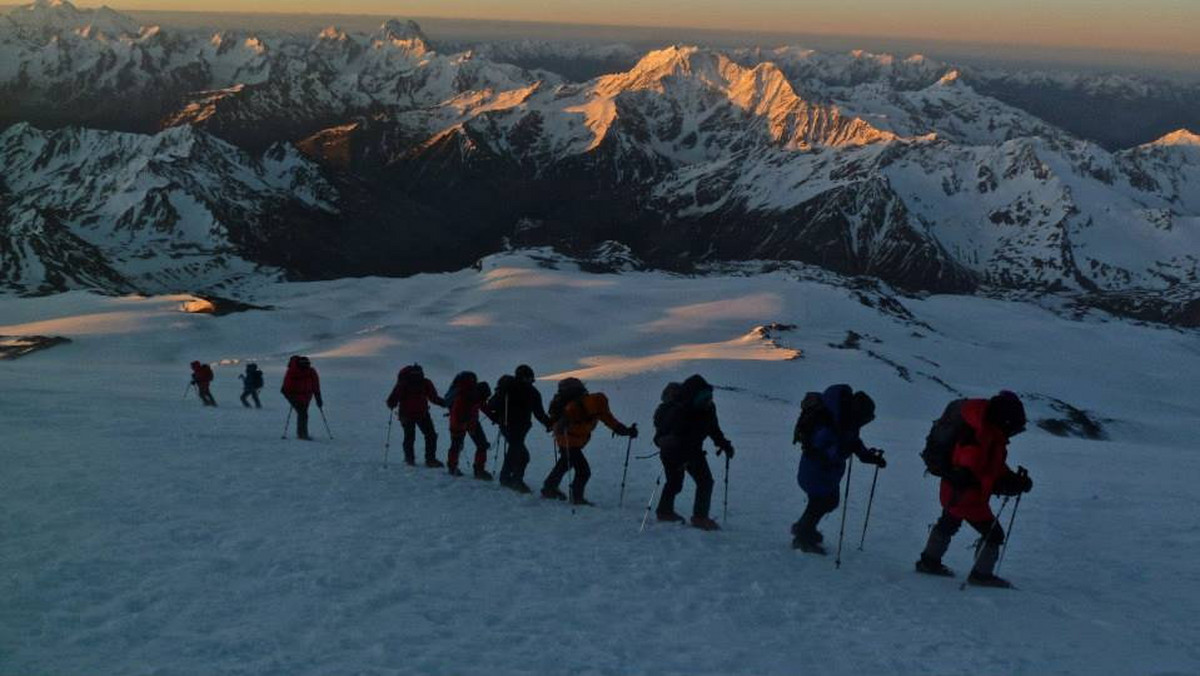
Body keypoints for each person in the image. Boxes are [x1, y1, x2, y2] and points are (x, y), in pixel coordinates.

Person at [916, 391, 1032, 588]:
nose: (1013, 432)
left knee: (948, 523)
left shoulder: (987, 432)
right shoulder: (979, 437)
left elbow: (993, 467)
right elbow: (977, 475)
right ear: (1005, 421)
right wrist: (1008, 484)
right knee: (994, 534)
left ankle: (929, 562)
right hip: (966, 498)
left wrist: (1010, 479)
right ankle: (981, 575)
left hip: (954, 493)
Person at [791, 384, 886, 554]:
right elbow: (820, 448)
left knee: (824, 502)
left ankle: (803, 529)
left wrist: (868, 457)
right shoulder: (830, 420)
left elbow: (853, 442)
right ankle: (803, 538)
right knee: (822, 502)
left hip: (825, 473)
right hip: (814, 471)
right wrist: (842, 451)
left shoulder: (845, 420)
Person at [652, 375, 734, 531]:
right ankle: (688, 516)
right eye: (704, 398)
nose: (708, 401)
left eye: (709, 397)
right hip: (674, 452)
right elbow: (660, 437)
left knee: (695, 482)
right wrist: (673, 448)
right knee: (686, 482)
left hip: (691, 450)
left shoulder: (708, 408)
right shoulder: (679, 411)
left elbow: (713, 429)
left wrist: (724, 445)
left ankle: (674, 513)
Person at [542, 377, 637, 505]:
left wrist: (626, 431)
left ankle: (549, 487)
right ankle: (576, 498)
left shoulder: (585, 405)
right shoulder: (588, 405)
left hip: (568, 439)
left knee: (566, 463)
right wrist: (626, 431)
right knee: (583, 471)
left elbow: (610, 421)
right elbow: (610, 421)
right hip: (569, 440)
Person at [488, 364, 552, 493]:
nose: (529, 381)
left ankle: (506, 478)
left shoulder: (509, 389)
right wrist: (549, 424)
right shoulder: (529, 391)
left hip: (510, 427)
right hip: (515, 427)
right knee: (522, 455)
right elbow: (539, 413)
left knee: (514, 451)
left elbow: (492, 405)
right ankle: (515, 481)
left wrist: (497, 418)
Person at [386, 364, 448, 467]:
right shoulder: (425, 382)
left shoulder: (404, 383)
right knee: (430, 435)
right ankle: (430, 460)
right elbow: (433, 398)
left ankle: (410, 459)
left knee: (409, 437)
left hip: (406, 414)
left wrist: (391, 403)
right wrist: (445, 403)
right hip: (422, 413)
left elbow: (393, 398)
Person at [444, 371, 495, 479]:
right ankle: (477, 470)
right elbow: (460, 413)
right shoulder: (465, 396)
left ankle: (454, 467)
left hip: (464, 423)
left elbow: (482, 406)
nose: (484, 400)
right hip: (461, 423)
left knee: (459, 446)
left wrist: (495, 418)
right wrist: (468, 426)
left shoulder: (475, 394)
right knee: (460, 445)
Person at [281, 355, 322, 440]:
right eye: (304, 364)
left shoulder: (311, 372)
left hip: (306, 396)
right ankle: (302, 435)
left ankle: (302, 434)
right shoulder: (292, 372)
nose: (306, 365)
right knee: (303, 413)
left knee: (303, 414)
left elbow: (315, 385)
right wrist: (292, 396)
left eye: (307, 364)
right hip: (294, 396)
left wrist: (318, 398)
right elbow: (286, 387)